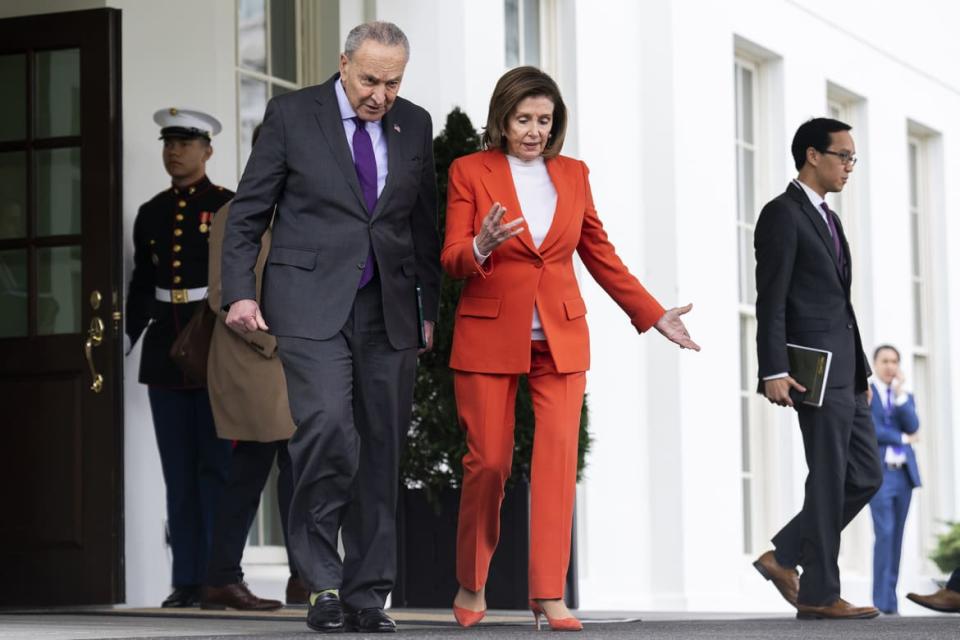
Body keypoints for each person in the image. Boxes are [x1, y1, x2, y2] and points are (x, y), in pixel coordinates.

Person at [442, 66, 699, 631]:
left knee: (557, 465)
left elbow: (600, 253)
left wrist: (654, 314)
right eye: (524, 119)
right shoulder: (469, 170)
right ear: (502, 120)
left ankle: (548, 593)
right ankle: (472, 579)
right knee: (489, 463)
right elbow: (452, 255)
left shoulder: (575, 175)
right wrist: (481, 245)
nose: (534, 130)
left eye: (545, 120)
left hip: (559, 338)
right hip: (488, 332)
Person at [221, 22, 440, 634]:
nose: (381, 94)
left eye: (393, 82)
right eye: (370, 79)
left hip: (389, 307)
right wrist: (239, 291)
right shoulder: (292, 115)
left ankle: (369, 595)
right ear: (344, 65)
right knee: (326, 431)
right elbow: (248, 213)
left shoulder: (414, 124)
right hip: (309, 304)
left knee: (381, 447)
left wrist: (429, 310)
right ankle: (322, 581)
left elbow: (425, 227)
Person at [752, 117, 883, 620]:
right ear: (813, 155)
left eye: (853, 158)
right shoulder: (781, 215)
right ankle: (821, 592)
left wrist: (863, 373)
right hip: (812, 369)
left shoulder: (830, 218)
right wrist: (773, 370)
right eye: (843, 156)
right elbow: (772, 299)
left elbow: (841, 306)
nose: (850, 166)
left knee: (866, 475)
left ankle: (784, 556)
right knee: (827, 477)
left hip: (848, 372)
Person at [125, 108, 234, 607]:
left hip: (214, 346)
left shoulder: (229, 205)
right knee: (178, 473)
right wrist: (127, 336)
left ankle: (217, 574)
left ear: (207, 151)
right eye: (169, 143)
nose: (174, 151)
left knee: (217, 468)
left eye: (186, 143)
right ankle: (186, 579)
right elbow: (141, 283)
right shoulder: (150, 212)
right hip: (166, 352)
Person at [199, 126, 307, 611]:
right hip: (252, 354)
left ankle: (303, 576)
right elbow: (222, 293)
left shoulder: (303, 211)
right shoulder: (234, 211)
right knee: (255, 467)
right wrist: (273, 340)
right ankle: (225, 577)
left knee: (297, 465)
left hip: (292, 359)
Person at [868, 344, 920, 614]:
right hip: (881, 474)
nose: (890, 366)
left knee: (897, 536)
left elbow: (914, 426)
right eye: (885, 361)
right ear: (875, 364)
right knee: (885, 533)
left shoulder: (903, 396)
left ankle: (891, 603)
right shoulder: (868, 393)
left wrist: (900, 396)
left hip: (904, 476)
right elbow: (872, 430)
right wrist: (900, 437)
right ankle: (879, 602)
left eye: (895, 362)